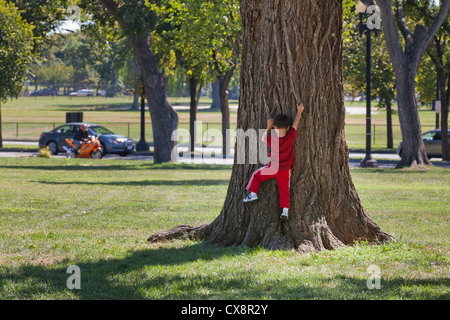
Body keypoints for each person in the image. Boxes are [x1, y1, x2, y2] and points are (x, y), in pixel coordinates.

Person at [243, 103, 305, 220]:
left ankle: (253, 194)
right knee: (284, 190)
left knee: (256, 175)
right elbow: (295, 124)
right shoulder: (291, 137)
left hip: (272, 169)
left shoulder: (272, 139)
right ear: (287, 127)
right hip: (285, 170)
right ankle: (285, 211)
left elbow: (262, 138)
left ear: (275, 127)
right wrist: (300, 111)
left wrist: (268, 126)